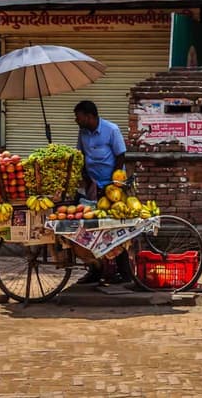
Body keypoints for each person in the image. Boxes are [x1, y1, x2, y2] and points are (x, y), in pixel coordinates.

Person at [74, 100, 129, 284]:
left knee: (117, 228)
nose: (76, 120)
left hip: (112, 187)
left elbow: (121, 155)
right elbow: (80, 156)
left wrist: (115, 183)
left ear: (89, 116)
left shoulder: (111, 130)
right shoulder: (83, 133)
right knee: (93, 230)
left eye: (78, 116)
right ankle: (95, 270)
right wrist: (85, 178)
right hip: (93, 186)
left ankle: (124, 272)